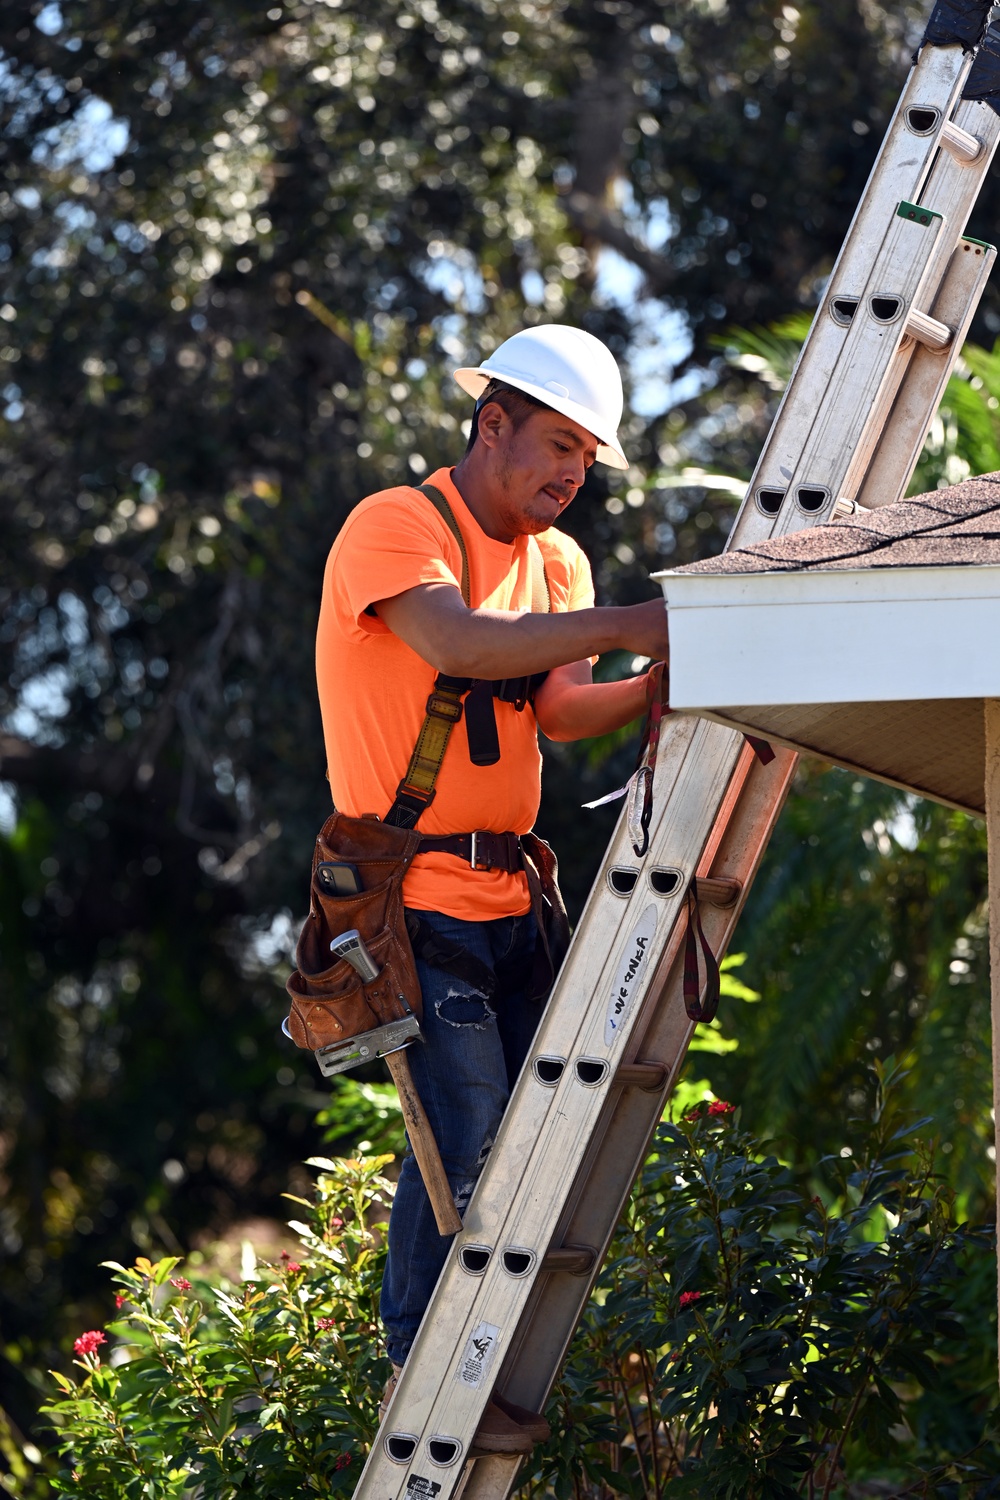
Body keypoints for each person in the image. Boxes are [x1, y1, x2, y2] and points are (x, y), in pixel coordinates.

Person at [315, 324, 669, 1452]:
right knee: (463, 1143)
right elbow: (461, 644)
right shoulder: (396, 527)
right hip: (409, 903)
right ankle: (424, 1373)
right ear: (492, 424)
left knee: (535, 1147)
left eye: (585, 456)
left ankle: (482, 1371)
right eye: (554, 442)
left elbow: (558, 708)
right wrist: (637, 624)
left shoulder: (559, 565)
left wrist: (664, 679)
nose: (569, 473)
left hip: (516, 896)